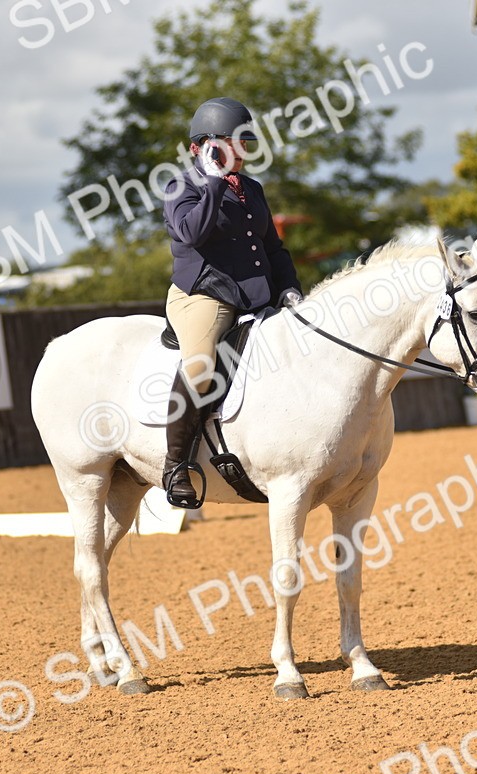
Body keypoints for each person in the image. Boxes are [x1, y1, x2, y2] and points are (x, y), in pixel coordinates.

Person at [160, 97, 303, 508]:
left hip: (257, 297)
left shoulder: (253, 190)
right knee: (201, 365)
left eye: (244, 144)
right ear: (200, 148)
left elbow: (272, 249)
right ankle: (175, 466)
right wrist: (214, 181)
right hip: (205, 295)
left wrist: (289, 287)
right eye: (231, 144)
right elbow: (192, 233)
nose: (241, 152)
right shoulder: (181, 188)